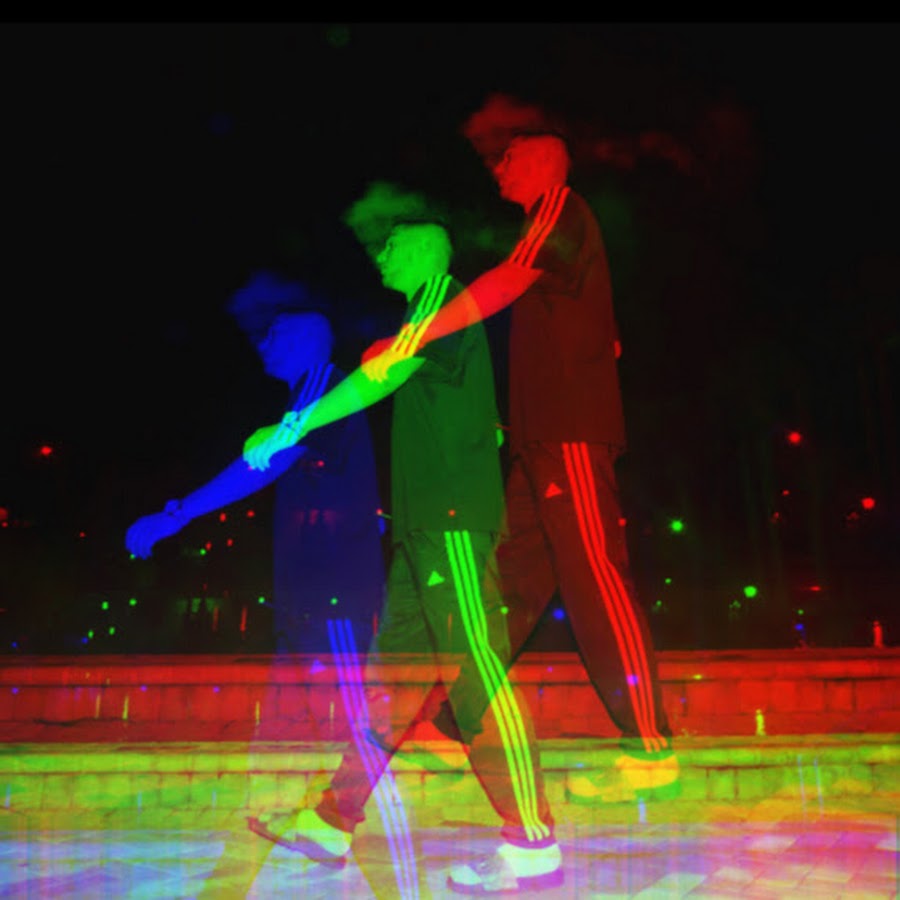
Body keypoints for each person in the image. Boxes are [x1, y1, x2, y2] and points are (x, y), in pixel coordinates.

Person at [362, 132, 680, 816]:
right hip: (539, 439)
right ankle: (455, 724)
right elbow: (596, 330)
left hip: (570, 431)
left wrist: (416, 334)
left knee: (594, 569)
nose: (497, 169)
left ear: (540, 162)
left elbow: (507, 283)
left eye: (506, 159)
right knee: (510, 580)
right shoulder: (552, 229)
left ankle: (650, 745)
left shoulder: (560, 206)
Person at [243, 221, 564, 895]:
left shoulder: (440, 296)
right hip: (423, 532)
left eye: (389, 247)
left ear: (422, 252)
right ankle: (331, 822)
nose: (380, 256)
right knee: (392, 681)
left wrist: (294, 423)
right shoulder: (427, 317)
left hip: (451, 523)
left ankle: (533, 841)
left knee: (477, 669)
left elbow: (379, 377)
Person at [125, 272, 385, 656]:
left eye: (274, 334)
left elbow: (264, 464)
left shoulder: (324, 382)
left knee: (341, 692)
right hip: (314, 594)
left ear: (305, 340)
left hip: (333, 593)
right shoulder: (312, 393)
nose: (263, 344)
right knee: (306, 691)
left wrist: (179, 514)